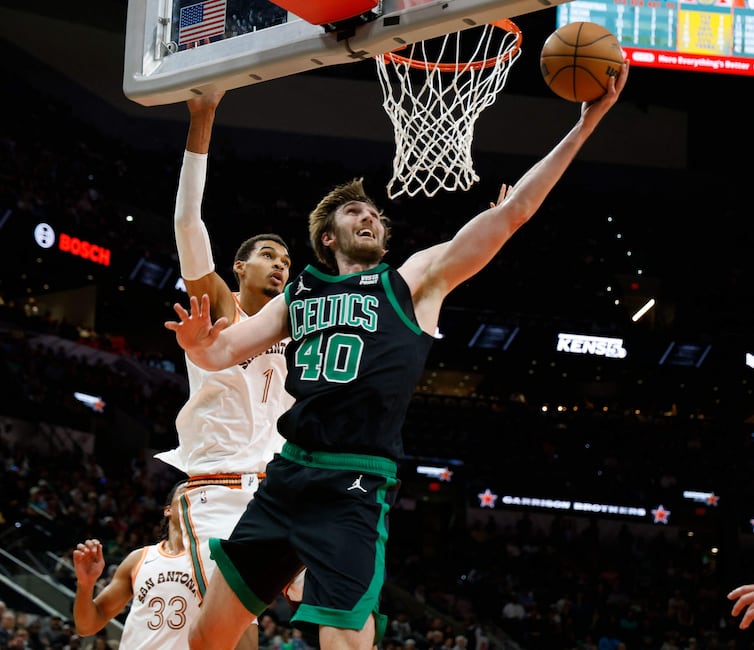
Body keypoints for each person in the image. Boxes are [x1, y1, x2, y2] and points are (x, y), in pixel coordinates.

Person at [166, 61, 630, 650]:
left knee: (343, 637)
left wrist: (587, 122)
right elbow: (224, 352)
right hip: (286, 475)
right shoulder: (298, 291)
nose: (370, 216)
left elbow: (515, 212)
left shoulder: (413, 283)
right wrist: (197, 344)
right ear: (327, 237)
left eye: (375, 214)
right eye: (354, 212)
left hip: (354, 482)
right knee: (207, 639)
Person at [152, 90, 301, 650]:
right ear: (239, 267)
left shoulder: (297, 325)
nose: (281, 265)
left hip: (277, 492)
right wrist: (203, 118)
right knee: (227, 627)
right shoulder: (218, 303)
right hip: (215, 488)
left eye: (286, 260)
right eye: (269, 255)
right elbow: (189, 224)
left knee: (323, 607)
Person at [72, 481, 198, 649]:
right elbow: (87, 626)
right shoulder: (139, 558)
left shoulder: (212, 562)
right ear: (168, 510)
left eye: (200, 495)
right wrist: (86, 584)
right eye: (186, 492)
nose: (194, 497)